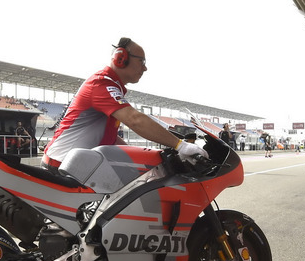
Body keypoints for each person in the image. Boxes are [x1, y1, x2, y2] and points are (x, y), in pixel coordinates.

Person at [42, 37, 207, 173]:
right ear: (121, 58)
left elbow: (109, 137)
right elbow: (135, 119)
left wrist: (142, 155)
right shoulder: (101, 83)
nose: (145, 68)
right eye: (142, 61)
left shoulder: (111, 86)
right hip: (61, 165)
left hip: (72, 164)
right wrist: (180, 145)